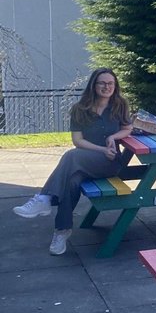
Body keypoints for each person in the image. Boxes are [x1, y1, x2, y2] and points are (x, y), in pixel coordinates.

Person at [12, 69, 133, 255]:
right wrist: (101, 148)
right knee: (71, 181)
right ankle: (62, 231)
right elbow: (78, 141)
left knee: (71, 156)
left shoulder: (120, 105)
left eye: (111, 83)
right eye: (102, 83)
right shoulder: (80, 108)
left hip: (109, 162)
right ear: (94, 85)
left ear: (115, 86)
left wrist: (113, 137)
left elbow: (128, 128)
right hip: (85, 161)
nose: (107, 87)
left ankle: (44, 198)